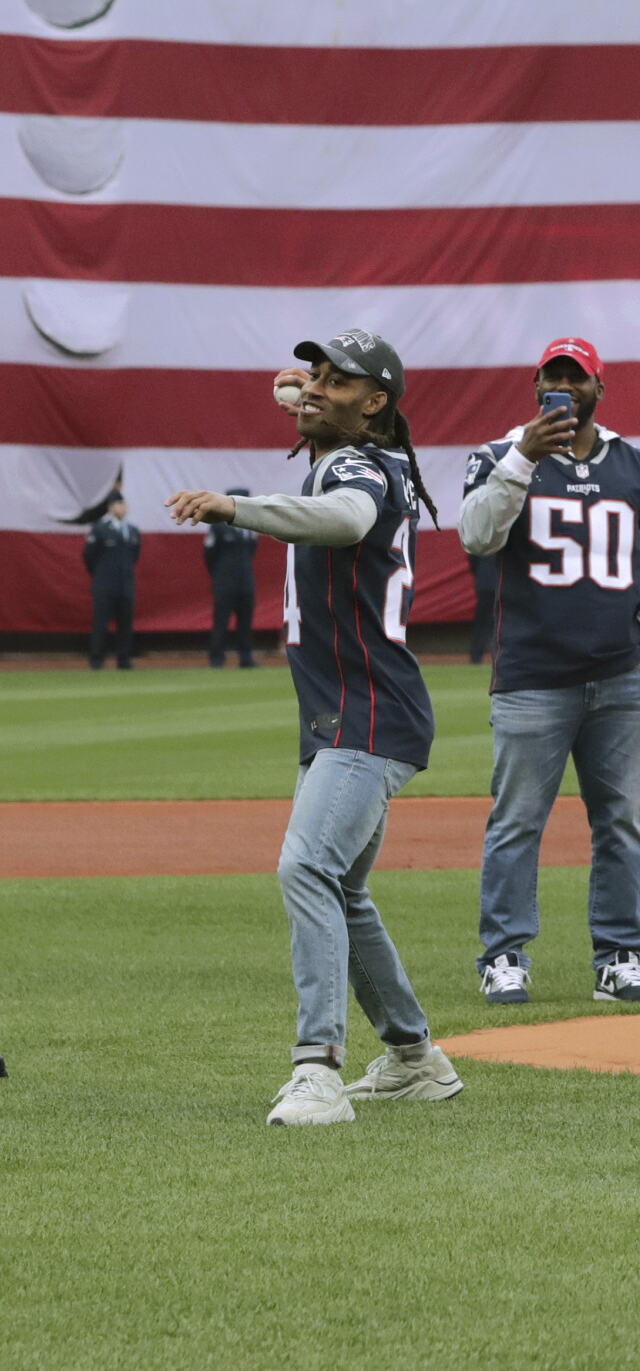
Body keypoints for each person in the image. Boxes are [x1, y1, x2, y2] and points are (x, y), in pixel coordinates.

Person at [166, 328, 461, 1126]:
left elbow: (344, 517)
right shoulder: (353, 445)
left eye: (337, 382)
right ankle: (414, 1058)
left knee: (304, 868)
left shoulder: (360, 466)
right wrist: (312, 394)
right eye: (313, 377)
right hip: (353, 710)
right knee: (344, 890)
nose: (313, 389)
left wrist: (238, 507)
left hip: (367, 712)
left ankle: (317, 1070)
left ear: (376, 405)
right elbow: (325, 427)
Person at [459, 335, 640, 1005]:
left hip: (620, 674)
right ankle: (504, 954)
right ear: (535, 388)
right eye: (553, 377)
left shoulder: (639, 467)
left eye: (576, 378)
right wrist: (524, 456)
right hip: (533, 674)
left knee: (620, 820)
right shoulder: (500, 456)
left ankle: (618, 954)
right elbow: (476, 534)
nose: (565, 388)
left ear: (598, 389)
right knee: (517, 819)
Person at [204, 488, 258, 668]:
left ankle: (246, 658)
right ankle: (217, 659)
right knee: (221, 621)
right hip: (224, 582)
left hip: (246, 581)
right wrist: (219, 576)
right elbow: (209, 554)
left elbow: (251, 551)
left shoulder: (251, 526)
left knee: (245, 622)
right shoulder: (218, 525)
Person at [83, 495, 139, 670]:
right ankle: (97, 660)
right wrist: (101, 576)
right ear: (110, 507)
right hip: (104, 586)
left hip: (126, 585)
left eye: (124, 503)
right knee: (101, 624)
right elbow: (89, 557)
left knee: (125, 625)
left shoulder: (132, 530)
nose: (123, 507)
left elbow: (134, 556)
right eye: (119, 504)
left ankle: (124, 660)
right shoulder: (99, 529)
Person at [466, 551, 498, 664]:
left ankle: (476, 656)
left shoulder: (482, 541)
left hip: (485, 583)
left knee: (482, 621)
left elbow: (472, 559)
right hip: (503, 583)